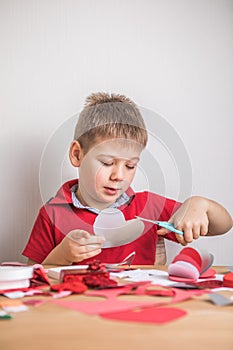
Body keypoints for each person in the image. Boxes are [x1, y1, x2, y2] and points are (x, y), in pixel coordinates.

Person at [23, 92, 232, 265]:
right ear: (77, 155)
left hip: (139, 310)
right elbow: (33, 279)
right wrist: (61, 257)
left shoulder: (148, 207)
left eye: (130, 165)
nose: (119, 176)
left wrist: (199, 205)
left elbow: (224, 225)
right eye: (106, 163)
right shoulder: (53, 214)